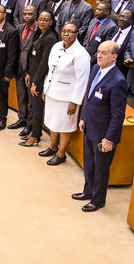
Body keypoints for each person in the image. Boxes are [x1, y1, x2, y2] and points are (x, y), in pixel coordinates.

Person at [74, 41, 128, 212]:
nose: (99, 55)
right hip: (90, 126)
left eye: (104, 53)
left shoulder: (118, 81)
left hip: (103, 134)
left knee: (101, 169)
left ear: (114, 57)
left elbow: (118, 114)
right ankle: (88, 191)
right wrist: (83, 117)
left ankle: (98, 200)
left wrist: (109, 139)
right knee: (89, 163)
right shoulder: (97, 69)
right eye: (98, 52)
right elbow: (88, 97)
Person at [40, 22, 91, 165]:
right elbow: (50, 70)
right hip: (52, 92)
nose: (66, 34)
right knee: (53, 122)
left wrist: (74, 102)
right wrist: (45, 89)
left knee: (65, 126)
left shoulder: (81, 54)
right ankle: (52, 147)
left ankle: (61, 154)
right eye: (64, 31)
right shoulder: (57, 46)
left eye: (70, 31)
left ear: (77, 33)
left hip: (67, 97)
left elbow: (82, 80)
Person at [20, 10, 60, 147]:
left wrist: (35, 82)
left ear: (51, 22)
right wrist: (29, 74)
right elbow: (33, 56)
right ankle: (33, 131)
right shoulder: (39, 33)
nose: (42, 22)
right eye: (40, 19)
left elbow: (44, 63)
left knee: (37, 107)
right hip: (33, 74)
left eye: (45, 20)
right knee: (33, 106)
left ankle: (36, 136)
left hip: (41, 78)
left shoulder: (50, 38)